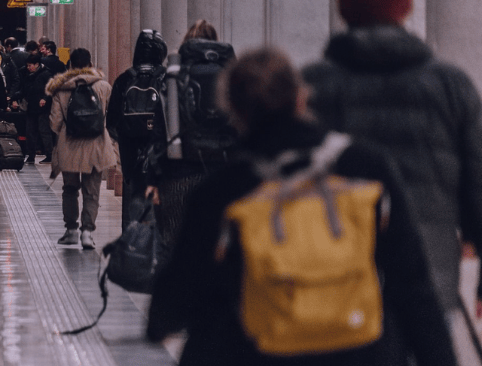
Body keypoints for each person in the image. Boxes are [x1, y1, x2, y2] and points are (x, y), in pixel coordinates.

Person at [147, 47, 457, 366]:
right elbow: (412, 283)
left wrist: (159, 323)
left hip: (256, 352)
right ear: (300, 97)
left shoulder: (222, 190)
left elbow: (179, 292)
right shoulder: (366, 166)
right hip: (363, 351)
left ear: (235, 111)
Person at [302, 0, 482, 337]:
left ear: (344, 8)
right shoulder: (449, 85)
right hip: (426, 280)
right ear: (404, 6)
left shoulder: (311, 86)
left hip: (330, 279)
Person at [144, 20, 236, 256]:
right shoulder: (234, 77)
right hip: (224, 174)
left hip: (178, 174)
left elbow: (160, 132)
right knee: (220, 247)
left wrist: (153, 178)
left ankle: (182, 291)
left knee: (175, 248)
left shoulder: (173, 78)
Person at [46, 48, 118, 249]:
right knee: (92, 190)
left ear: (70, 66)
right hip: (96, 145)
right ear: (91, 64)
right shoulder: (103, 87)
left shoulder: (61, 89)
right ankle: (87, 232)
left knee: (70, 189)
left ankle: (71, 231)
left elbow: (54, 122)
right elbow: (111, 118)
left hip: (68, 146)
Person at [106, 30, 168, 229]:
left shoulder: (125, 79)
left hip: (130, 151)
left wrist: (127, 137)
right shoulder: (166, 78)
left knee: (132, 193)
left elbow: (112, 121)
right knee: (162, 197)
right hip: (160, 150)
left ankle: (132, 240)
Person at [12, 53, 53, 165]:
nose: (28, 67)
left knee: (44, 131)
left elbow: (51, 89)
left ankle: (49, 155)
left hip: (43, 108)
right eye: (27, 65)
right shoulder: (28, 75)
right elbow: (24, 90)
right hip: (31, 107)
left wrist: (45, 99)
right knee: (30, 132)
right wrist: (13, 97)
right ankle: (31, 156)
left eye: (30, 65)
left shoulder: (46, 74)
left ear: (37, 64)